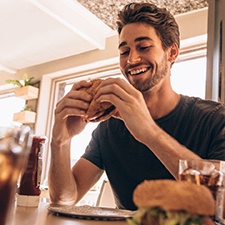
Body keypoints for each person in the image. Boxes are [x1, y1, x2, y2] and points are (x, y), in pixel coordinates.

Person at [48, 2, 225, 211]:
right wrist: (61, 141)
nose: (131, 59)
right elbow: (65, 199)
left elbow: (220, 199)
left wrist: (148, 131)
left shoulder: (214, 119)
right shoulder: (108, 128)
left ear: (172, 53)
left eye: (143, 47)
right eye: (124, 51)